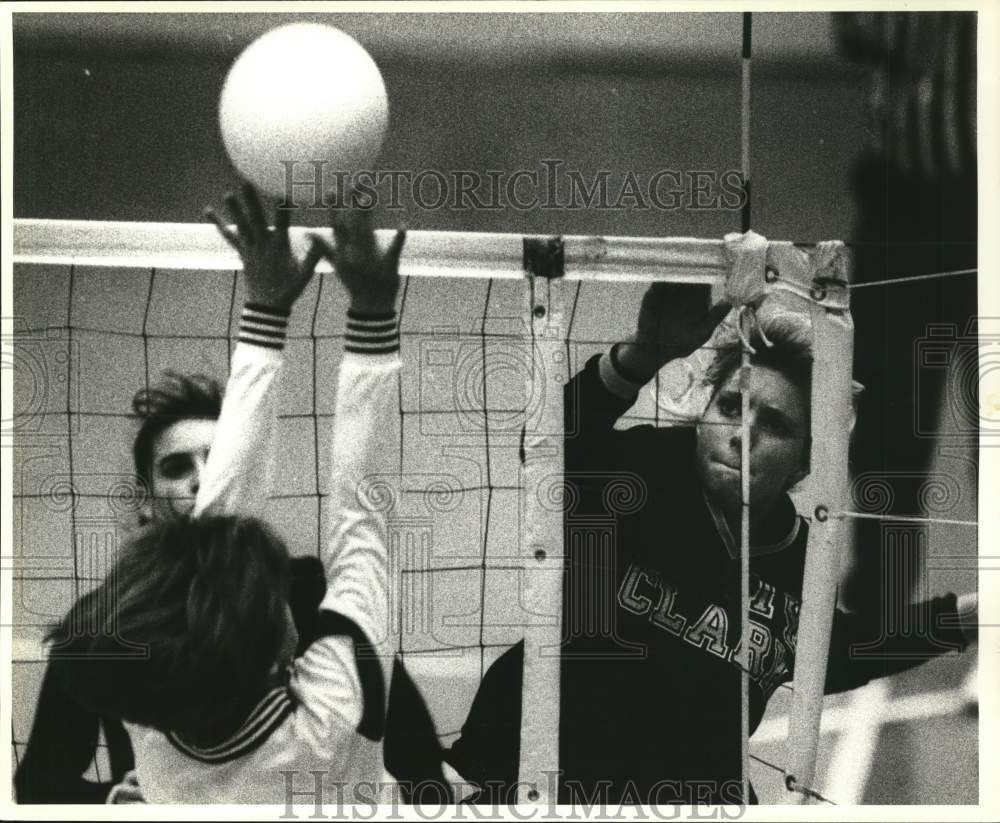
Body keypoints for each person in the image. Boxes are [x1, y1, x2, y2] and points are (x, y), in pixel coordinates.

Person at [444, 283, 978, 805]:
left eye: (773, 425)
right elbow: (550, 446)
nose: (742, 432)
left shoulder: (796, 555)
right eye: (729, 407)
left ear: (806, 463)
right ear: (704, 414)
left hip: (687, 796)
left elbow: (842, 650)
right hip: (542, 780)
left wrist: (965, 617)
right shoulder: (638, 475)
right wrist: (641, 356)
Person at [18, 187, 449, 804]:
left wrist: (331, 310)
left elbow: (231, 540)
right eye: (178, 467)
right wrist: (305, 310)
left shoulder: (141, 680)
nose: (203, 485)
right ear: (280, 645)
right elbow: (350, 520)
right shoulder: (327, 716)